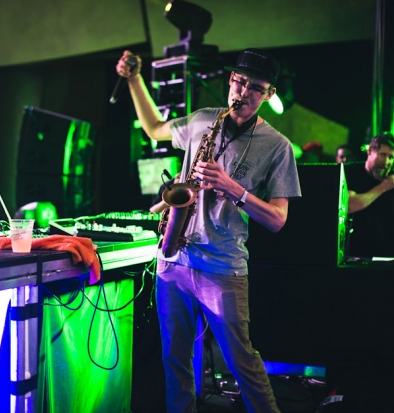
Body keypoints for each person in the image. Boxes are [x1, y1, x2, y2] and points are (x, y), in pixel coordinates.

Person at [116, 48, 301, 413]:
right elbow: (154, 129)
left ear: (269, 94)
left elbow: (278, 219)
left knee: (242, 362)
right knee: (174, 360)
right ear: (231, 81)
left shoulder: (278, 147)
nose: (243, 92)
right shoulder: (204, 120)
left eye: (256, 88)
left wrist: (233, 188)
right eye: (239, 82)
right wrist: (134, 79)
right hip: (175, 258)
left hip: (223, 267)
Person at [345, 133, 394, 258]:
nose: (386, 162)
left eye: (391, 157)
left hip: (389, 252)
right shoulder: (351, 172)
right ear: (369, 151)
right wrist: (384, 187)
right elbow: (350, 205)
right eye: (382, 155)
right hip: (354, 251)